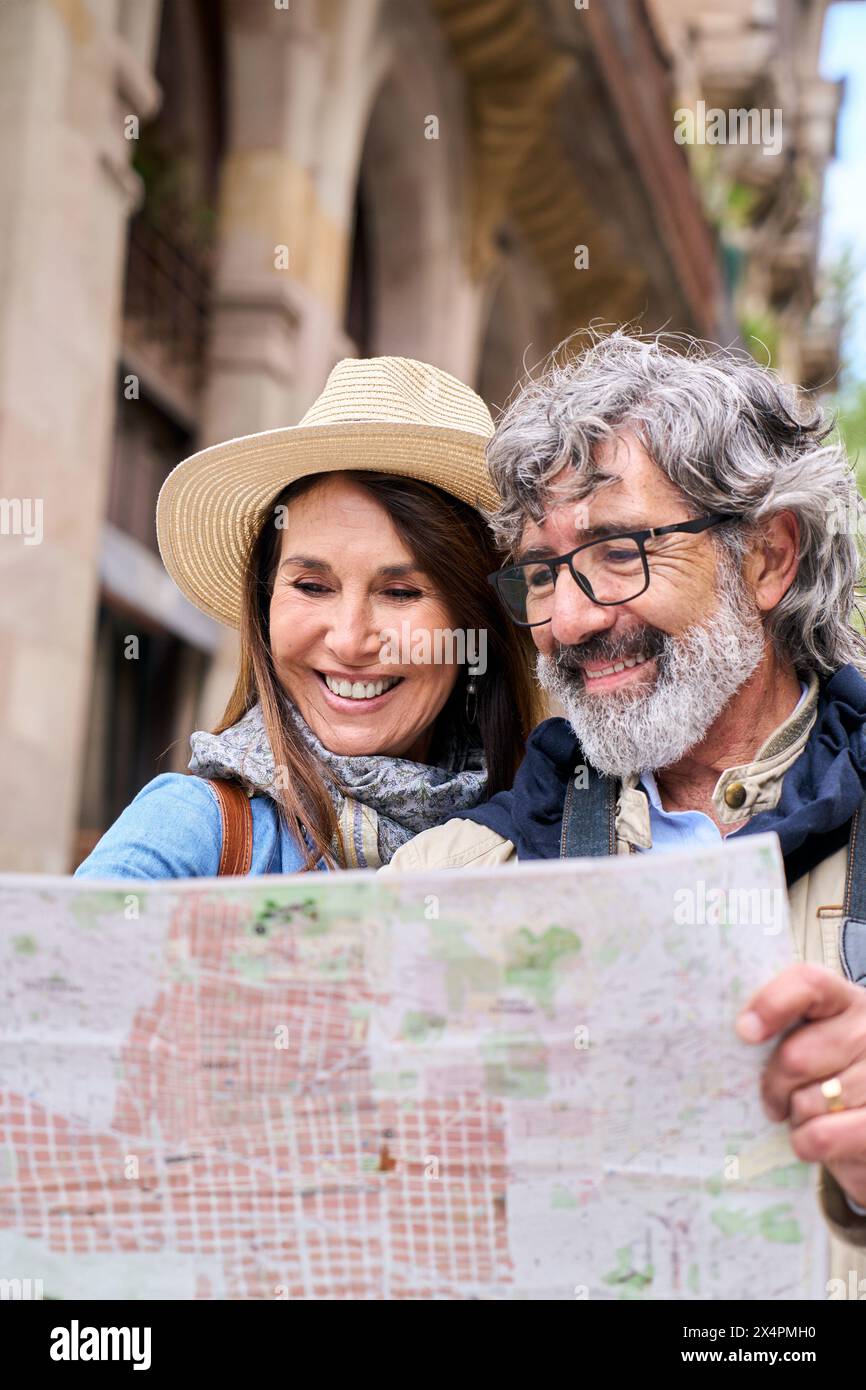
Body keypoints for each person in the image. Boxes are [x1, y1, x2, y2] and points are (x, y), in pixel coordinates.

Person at [385, 330, 866, 1271]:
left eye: (616, 553)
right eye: (540, 571)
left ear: (768, 557)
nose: (567, 619)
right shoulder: (448, 884)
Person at [75, 355, 535, 878]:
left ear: (478, 624)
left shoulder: (552, 834)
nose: (349, 639)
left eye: (401, 592)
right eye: (313, 586)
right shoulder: (190, 828)